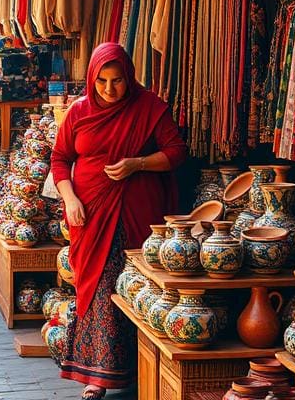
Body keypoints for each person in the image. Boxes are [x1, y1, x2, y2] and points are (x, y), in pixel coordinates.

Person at [50, 43, 187, 399]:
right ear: (92, 79)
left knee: (130, 285)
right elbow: (60, 159)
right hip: (88, 212)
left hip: (135, 211)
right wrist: (70, 198)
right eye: (101, 82)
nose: (110, 90)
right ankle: (97, 372)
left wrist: (137, 164)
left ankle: (130, 372)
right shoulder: (79, 112)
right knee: (94, 287)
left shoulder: (150, 107)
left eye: (118, 81)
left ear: (130, 76)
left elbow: (175, 152)